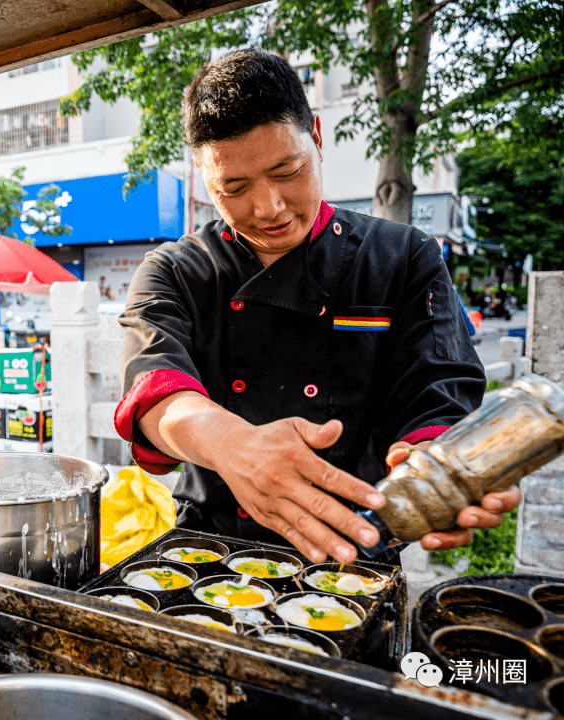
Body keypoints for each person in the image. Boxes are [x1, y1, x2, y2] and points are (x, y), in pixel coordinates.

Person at [115, 48, 519, 566]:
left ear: (318, 138)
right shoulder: (175, 270)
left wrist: (438, 464)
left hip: (354, 555)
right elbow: (154, 392)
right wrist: (232, 445)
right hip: (208, 553)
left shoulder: (401, 257)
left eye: (288, 170)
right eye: (234, 188)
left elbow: (438, 388)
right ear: (203, 173)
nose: (269, 207)